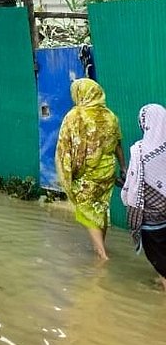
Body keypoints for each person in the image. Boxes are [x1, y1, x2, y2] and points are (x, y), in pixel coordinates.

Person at [55, 78, 126, 260]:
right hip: (107, 170)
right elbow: (118, 144)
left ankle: (102, 254)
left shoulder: (75, 116)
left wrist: (67, 171)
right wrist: (123, 167)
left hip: (87, 172)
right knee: (101, 208)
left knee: (86, 207)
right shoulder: (111, 116)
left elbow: (65, 146)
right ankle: (100, 247)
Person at [121, 103, 166, 290]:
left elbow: (133, 185)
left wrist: (126, 194)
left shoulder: (140, 151)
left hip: (152, 219)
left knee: (158, 255)